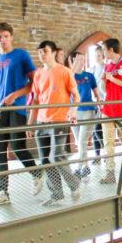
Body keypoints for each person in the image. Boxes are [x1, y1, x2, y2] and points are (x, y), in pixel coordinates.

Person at [0, 22, 43, 205]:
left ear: (11, 37)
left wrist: (15, 95)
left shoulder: (21, 56)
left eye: (6, 36)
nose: (3, 39)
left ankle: (36, 172)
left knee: (17, 147)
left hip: (16, 108)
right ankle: (3, 192)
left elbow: (34, 83)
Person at [27, 40, 82, 206]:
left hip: (59, 120)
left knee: (56, 156)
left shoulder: (65, 72)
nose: (42, 54)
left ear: (53, 52)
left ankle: (74, 184)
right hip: (42, 122)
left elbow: (76, 96)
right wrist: (30, 123)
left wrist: (72, 112)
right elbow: (35, 100)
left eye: (45, 51)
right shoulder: (38, 74)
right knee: (45, 160)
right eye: (39, 52)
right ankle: (57, 194)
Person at [97, 37, 122, 184]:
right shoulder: (107, 66)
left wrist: (113, 79)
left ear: (111, 50)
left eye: (103, 50)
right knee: (108, 143)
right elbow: (104, 89)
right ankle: (110, 173)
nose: (102, 53)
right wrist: (103, 81)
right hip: (108, 109)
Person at [69, 51, 99, 179]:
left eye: (83, 59)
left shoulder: (90, 76)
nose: (82, 61)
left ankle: (79, 167)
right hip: (74, 113)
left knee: (82, 141)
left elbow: (97, 93)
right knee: (79, 142)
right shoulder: (69, 76)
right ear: (73, 61)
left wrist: (100, 105)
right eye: (79, 59)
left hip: (88, 111)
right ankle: (85, 167)